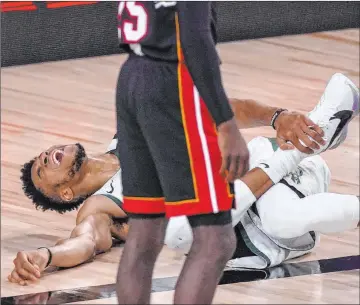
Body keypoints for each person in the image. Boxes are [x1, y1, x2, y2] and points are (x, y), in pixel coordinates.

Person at [8, 73, 359, 286]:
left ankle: (306, 139)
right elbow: (84, 243)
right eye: (43, 172)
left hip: (265, 164)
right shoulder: (99, 209)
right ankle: (319, 132)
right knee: (274, 220)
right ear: (66, 192)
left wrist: (279, 116)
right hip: (264, 228)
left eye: (41, 156)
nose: (43, 157)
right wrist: (46, 255)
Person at [114, 2, 332, 302]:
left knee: (146, 232)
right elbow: (195, 40)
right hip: (175, 82)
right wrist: (226, 124)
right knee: (215, 239)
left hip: (132, 77)